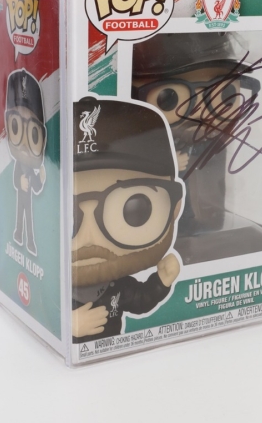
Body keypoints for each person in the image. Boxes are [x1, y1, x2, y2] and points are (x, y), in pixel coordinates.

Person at [71, 96, 183, 342]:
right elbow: (35, 302)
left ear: (175, 208)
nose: (89, 238)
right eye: (68, 217)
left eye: (134, 210)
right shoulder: (57, 288)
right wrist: (67, 324)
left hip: (114, 352)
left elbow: (140, 301)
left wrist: (161, 282)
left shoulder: (116, 286)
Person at [132, 32, 260, 235]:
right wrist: (167, 162)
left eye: (226, 93)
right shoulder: (144, 134)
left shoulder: (211, 138)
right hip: (146, 218)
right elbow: (129, 159)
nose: (201, 111)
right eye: (169, 98)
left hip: (201, 216)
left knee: (190, 201)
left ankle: (188, 222)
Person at [5, 69, 46, 256]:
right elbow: (15, 179)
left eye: (32, 133)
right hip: (22, 194)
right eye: (15, 126)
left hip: (27, 196)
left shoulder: (30, 166)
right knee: (19, 213)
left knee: (28, 216)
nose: (23, 145)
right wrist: (18, 181)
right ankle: (17, 234)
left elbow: (37, 187)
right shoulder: (18, 165)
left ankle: (30, 241)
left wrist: (41, 179)